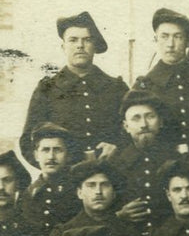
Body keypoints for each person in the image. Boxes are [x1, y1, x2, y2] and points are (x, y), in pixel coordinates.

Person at [20, 11, 128, 165]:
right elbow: (27, 141)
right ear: (63, 46)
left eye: (87, 40)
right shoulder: (47, 89)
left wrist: (118, 147)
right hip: (65, 178)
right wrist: (54, 167)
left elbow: (133, 132)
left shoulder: (116, 88)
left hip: (109, 177)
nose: (80, 45)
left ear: (95, 46)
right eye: (73, 40)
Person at [133, 8, 189, 169]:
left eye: (177, 37)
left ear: (187, 41)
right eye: (164, 37)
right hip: (162, 165)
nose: (171, 44)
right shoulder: (144, 85)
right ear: (155, 39)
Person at [106, 89, 182, 236]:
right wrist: (119, 215)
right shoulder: (114, 163)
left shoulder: (177, 159)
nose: (144, 124)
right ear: (126, 126)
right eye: (136, 118)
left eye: (150, 116)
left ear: (161, 122)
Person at [20, 122, 82, 236]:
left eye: (58, 150)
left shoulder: (78, 191)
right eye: (45, 150)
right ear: (36, 155)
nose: (51, 157)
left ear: (68, 155)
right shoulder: (28, 194)